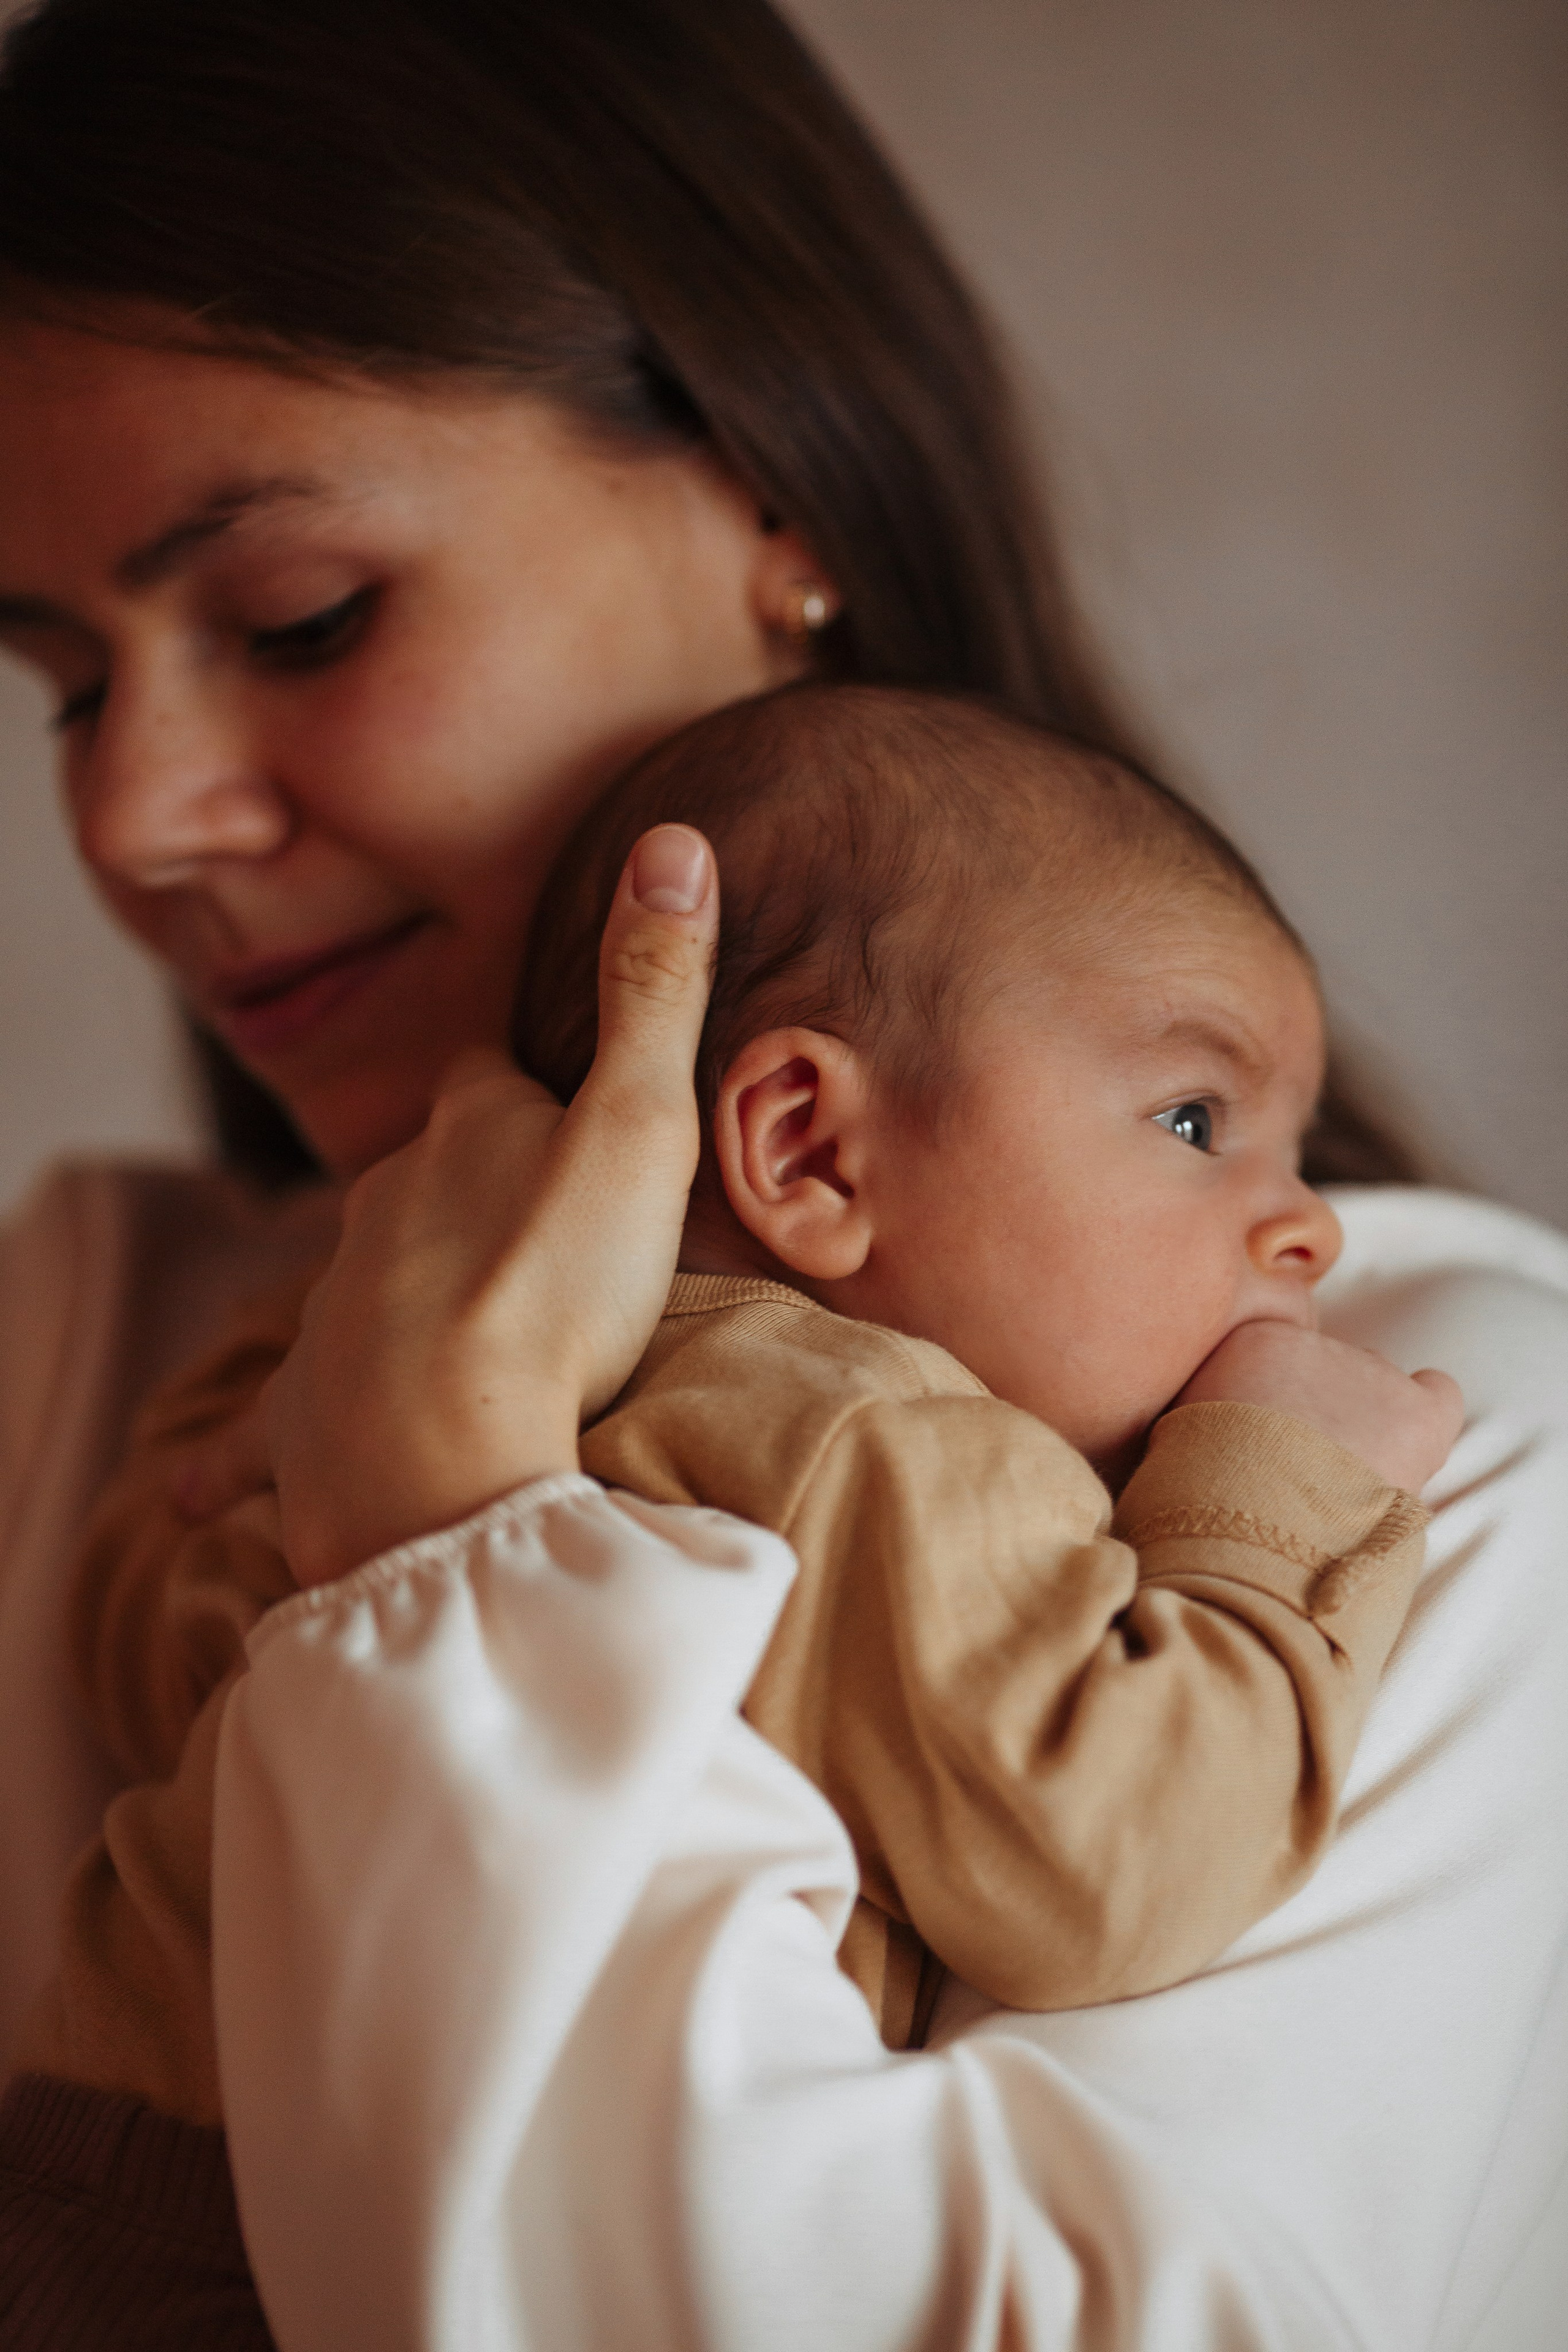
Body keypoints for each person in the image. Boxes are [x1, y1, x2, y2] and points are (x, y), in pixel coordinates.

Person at [0, 0, 1561, 2345]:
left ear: (781, 503)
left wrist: (452, 1549)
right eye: (65, 681)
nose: (128, 818)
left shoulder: (1435, 1431)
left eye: (302, 617)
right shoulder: (79, 1342)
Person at [13, 689, 1454, 2181]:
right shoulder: (867, 1440)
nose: (1310, 1228)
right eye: (1191, 1122)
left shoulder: (421, 1380)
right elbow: (1107, 1867)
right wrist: (1275, 1498)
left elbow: (135, 1644)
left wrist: (300, 1351)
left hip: (98, 2164)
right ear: (808, 1150)